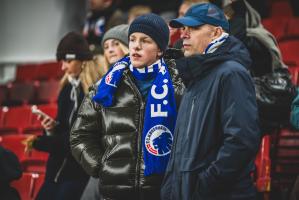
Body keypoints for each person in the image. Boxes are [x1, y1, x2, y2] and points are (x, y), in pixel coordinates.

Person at [70, 13, 184, 200]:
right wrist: (102, 167)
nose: (136, 46)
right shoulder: (105, 86)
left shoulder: (180, 84)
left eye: (145, 40)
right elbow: (79, 135)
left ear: (160, 50)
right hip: (114, 193)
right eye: (132, 39)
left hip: (165, 192)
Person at [161, 3, 261, 200]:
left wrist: (205, 185)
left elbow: (241, 142)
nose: (184, 35)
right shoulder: (195, 75)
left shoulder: (232, 73)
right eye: (183, 29)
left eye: (194, 28)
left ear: (216, 33)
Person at [26, 32, 99, 200]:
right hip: (56, 170)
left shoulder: (93, 94)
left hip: (78, 173)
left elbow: (79, 138)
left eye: (68, 61)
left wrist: (41, 142)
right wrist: (51, 128)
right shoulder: (66, 89)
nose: (63, 67)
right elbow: (65, 128)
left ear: (82, 61)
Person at [80, 24, 129, 200]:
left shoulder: (142, 80)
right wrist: (96, 163)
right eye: (106, 47)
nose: (110, 50)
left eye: (115, 44)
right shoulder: (102, 84)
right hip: (104, 162)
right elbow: (85, 129)